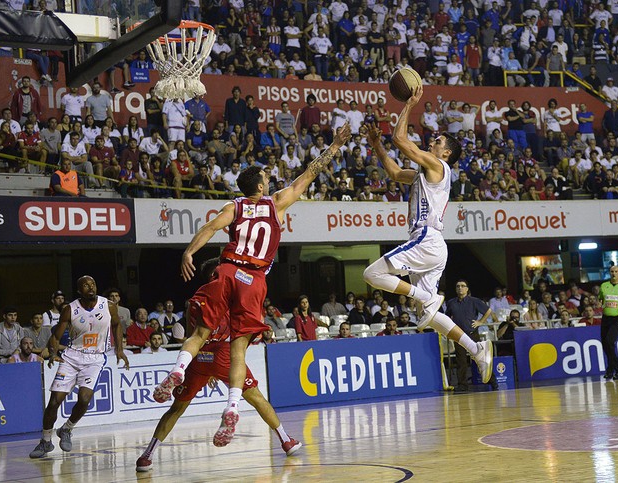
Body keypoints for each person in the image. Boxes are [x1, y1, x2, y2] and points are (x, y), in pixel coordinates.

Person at [152, 123, 352, 447]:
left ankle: (177, 371)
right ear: (260, 185)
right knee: (238, 351)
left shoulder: (234, 206)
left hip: (228, 270)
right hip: (254, 280)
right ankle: (232, 407)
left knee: (199, 334)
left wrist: (188, 252)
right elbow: (310, 174)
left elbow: (209, 227)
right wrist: (335, 145)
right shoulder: (276, 203)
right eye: (266, 178)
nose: (270, 180)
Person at [362, 85, 493, 384]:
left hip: (426, 240)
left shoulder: (438, 165)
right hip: (433, 247)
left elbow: (400, 139)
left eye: (438, 140)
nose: (433, 141)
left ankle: (425, 296)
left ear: (445, 152)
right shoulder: (426, 174)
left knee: (372, 274)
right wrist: (376, 145)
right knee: (432, 316)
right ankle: (477, 349)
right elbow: (395, 173)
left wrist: (410, 104)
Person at [136, 261, 301, 472]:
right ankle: (286, 441)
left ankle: (146, 456)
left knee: (176, 409)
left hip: (198, 358)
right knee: (257, 398)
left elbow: (191, 336)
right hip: (224, 355)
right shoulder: (233, 296)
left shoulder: (195, 301)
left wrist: (205, 365)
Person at [29, 276, 129, 458]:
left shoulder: (109, 306)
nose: (90, 287)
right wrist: (52, 352)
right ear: (78, 291)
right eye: (85, 285)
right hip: (71, 357)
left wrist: (120, 350)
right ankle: (45, 441)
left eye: (93, 283)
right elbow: (56, 336)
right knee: (54, 402)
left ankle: (66, 429)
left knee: (84, 399)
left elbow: (116, 325)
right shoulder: (70, 309)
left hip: (95, 358)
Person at [444, 280, 498, 391]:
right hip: (458, 336)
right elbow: (447, 317)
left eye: (462, 286)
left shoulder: (474, 301)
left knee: (481, 359)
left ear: (467, 289)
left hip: (472, 334)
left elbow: (488, 311)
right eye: (458, 286)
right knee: (461, 361)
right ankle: (463, 385)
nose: (460, 288)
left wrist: (481, 322)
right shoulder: (451, 302)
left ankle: (492, 381)